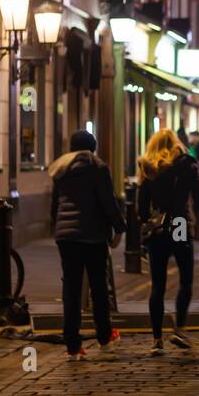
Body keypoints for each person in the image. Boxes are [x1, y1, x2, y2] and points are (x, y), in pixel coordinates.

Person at [137, 129, 199, 355]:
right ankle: (179, 329)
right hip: (180, 223)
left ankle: (156, 340)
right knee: (185, 279)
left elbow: (141, 206)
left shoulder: (148, 167)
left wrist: (146, 223)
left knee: (158, 284)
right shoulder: (186, 166)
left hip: (159, 227)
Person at [48, 130, 126, 361]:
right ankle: (104, 336)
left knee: (71, 289)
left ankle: (72, 345)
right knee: (98, 287)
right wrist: (118, 228)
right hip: (92, 236)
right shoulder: (98, 167)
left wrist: (58, 228)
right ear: (93, 146)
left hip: (67, 237)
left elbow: (55, 206)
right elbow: (107, 201)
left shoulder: (60, 169)